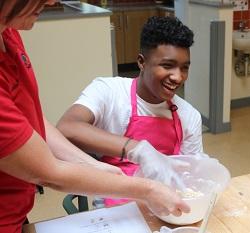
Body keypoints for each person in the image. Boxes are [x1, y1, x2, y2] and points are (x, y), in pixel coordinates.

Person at [0, 1, 189, 232]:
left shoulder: (8, 32)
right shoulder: (109, 91)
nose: (51, 2)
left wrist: (91, 165)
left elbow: (31, 124)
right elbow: (49, 172)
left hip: (15, 211)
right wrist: (147, 186)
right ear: (141, 62)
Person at [57, 16, 204, 207]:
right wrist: (138, 150)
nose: (178, 77)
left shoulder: (188, 115)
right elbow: (67, 127)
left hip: (165, 203)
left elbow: (191, 175)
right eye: (167, 66)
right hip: (115, 202)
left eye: (184, 68)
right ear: (142, 62)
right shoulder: (109, 92)